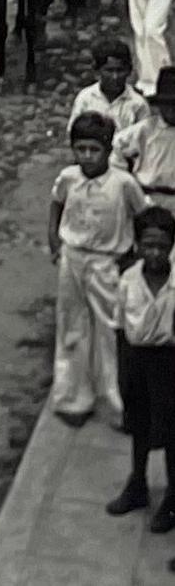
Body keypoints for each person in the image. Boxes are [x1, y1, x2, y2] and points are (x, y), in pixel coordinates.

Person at [49, 111, 149, 427]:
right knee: (72, 325)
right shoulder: (69, 178)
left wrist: (133, 257)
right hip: (74, 258)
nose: (87, 157)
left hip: (108, 263)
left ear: (108, 150)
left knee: (109, 331)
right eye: (81, 149)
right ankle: (73, 398)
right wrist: (54, 242)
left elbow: (143, 216)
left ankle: (118, 404)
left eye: (94, 149)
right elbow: (57, 204)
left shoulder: (123, 184)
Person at [106, 206, 175, 532]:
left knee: (171, 432)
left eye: (163, 246)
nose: (155, 253)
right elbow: (119, 327)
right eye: (148, 245)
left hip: (168, 362)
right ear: (137, 244)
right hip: (136, 360)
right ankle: (138, 485)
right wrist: (122, 373)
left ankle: (172, 498)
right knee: (139, 425)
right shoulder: (128, 280)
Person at [114, 67, 175, 213]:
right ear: (159, 104)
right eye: (168, 104)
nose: (172, 110)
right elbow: (116, 164)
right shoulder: (141, 133)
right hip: (146, 202)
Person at [69, 38, 150, 135]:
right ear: (97, 70)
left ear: (129, 71)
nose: (115, 77)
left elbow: (145, 139)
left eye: (120, 71)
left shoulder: (138, 104)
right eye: (109, 70)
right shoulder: (86, 98)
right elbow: (74, 133)